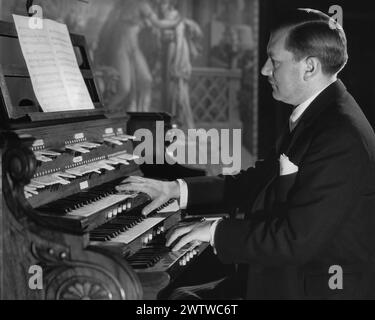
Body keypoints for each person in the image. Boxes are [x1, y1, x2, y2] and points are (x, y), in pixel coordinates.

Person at [117, 8, 375, 299]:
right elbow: (257, 182)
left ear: (310, 67)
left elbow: (295, 240)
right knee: (177, 298)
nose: (265, 69)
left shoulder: (339, 134)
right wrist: (175, 189)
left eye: (274, 61)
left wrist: (216, 231)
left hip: (307, 288)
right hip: (281, 276)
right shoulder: (319, 114)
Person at [96, 0, 182, 113]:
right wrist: (176, 22)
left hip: (133, 48)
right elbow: (158, 23)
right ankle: (104, 112)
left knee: (146, 80)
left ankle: (142, 113)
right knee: (124, 89)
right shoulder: (140, 4)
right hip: (122, 48)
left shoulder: (138, 6)